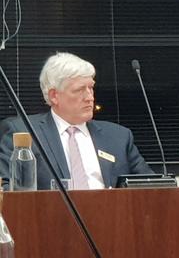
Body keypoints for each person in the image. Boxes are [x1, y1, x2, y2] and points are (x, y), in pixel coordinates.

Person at [0, 52, 153, 190]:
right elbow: (7, 188)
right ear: (54, 95)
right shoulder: (25, 132)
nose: (90, 97)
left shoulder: (118, 137)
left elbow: (151, 186)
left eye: (91, 88)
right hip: (49, 218)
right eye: (80, 90)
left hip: (111, 218)